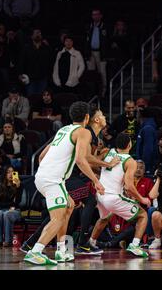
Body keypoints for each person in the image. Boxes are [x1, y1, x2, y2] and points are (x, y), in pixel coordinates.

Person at [23, 102, 112, 265]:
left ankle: (61, 251)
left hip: (44, 176)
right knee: (57, 218)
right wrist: (96, 180)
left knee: (69, 206)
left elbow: (41, 156)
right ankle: (35, 252)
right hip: (52, 179)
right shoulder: (84, 132)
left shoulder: (63, 130)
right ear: (87, 117)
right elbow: (80, 160)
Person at [89, 134, 151, 258]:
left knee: (104, 218)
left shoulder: (108, 152)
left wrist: (102, 171)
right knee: (143, 215)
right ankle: (135, 245)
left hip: (101, 195)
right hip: (113, 197)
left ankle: (91, 242)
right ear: (130, 145)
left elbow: (91, 163)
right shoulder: (130, 161)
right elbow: (129, 186)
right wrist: (142, 198)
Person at [0, 166, 23, 247]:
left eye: (12, 172)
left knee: (7, 214)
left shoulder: (19, 185)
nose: (10, 174)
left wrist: (18, 188)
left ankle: (8, 241)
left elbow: (18, 203)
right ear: (4, 174)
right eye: (8, 172)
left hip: (15, 210)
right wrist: (10, 204)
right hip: (2, 209)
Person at [18, 28, 53, 96]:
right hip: (30, 78)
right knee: (31, 98)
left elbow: (51, 61)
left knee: (41, 98)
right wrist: (20, 74)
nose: (37, 35)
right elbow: (21, 61)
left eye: (39, 33)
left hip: (43, 78)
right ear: (32, 36)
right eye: (36, 33)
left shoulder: (46, 48)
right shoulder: (26, 48)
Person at [85, 9, 108, 98]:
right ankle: (92, 93)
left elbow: (107, 42)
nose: (95, 16)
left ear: (101, 16)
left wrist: (105, 54)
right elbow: (86, 41)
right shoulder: (89, 26)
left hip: (101, 53)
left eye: (97, 14)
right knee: (91, 74)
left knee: (102, 73)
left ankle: (103, 93)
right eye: (93, 15)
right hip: (91, 53)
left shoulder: (104, 27)